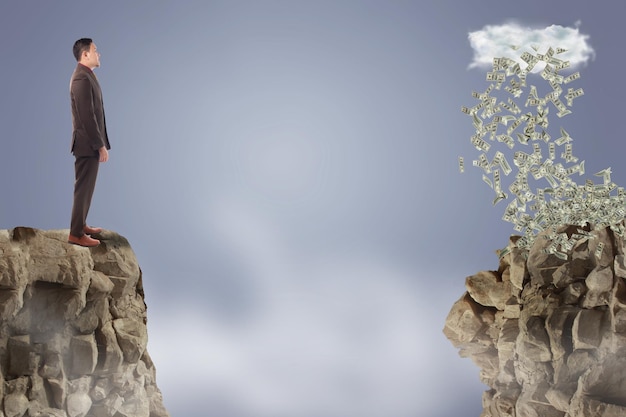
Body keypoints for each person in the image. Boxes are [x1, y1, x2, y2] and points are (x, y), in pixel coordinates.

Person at [68, 38, 111, 247]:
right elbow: (87, 116)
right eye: (95, 50)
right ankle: (76, 234)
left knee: (87, 188)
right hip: (86, 144)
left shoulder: (87, 76)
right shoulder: (81, 79)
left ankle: (81, 224)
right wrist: (99, 144)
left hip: (89, 143)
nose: (98, 54)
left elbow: (95, 112)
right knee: (83, 188)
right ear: (85, 54)